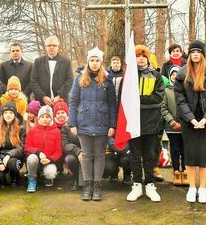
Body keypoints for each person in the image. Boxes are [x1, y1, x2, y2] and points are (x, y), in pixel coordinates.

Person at [175, 40, 206, 204]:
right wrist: (192, 119)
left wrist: (205, 119)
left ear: (203, 54)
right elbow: (180, 100)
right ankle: (192, 187)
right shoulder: (181, 75)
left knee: (203, 155)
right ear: (189, 54)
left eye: (198, 51)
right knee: (189, 154)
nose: (195, 54)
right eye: (192, 51)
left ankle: (202, 188)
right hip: (189, 121)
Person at [68, 47, 117, 201]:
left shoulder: (107, 81)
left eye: (97, 61)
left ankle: (97, 186)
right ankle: (87, 185)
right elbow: (74, 102)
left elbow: (112, 105)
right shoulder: (79, 80)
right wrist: (72, 123)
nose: (95, 63)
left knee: (99, 155)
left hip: (102, 124)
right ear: (88, 62)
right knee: (87, 155)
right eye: (92, 60)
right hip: (83, 123)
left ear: (101, 62)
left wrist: (112, 125)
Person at [126, 45, 165, 203]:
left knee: (149, 155)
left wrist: (137, 100)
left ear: (148, 58)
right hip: (133, 122)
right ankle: (136, 185)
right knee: (135, 156)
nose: (141, 59)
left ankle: (150, 185)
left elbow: (158, 98)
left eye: (144, 56)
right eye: (137, 56)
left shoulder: (156, 75)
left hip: (151, 122)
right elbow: (124, 99)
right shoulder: (128, 76)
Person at [24, 105, 62, 192]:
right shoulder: (33, 130)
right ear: (39, 118)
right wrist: (38, 152)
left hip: (48, 161)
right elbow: (27, 147)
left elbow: (58, 151)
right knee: (31, 158)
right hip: (36, 159)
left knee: (51, 173)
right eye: (42, 117)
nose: (45, 119)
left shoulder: (56, 132)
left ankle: (48, 178)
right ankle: (32, 179)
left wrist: (49, 159)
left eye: (47, 117)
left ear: (51, 118)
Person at [161, 65, 187, 186]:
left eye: (177, 74)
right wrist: (172, 122)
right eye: (173, 75)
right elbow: (163, 108)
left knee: (185, 149)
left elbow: (189, 107)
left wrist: (184, 121)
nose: (175, 77)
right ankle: (176, 171)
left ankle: (185, 171)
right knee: (175, 149)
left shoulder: (186, 90)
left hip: (185, 126)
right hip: (171, 127)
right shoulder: (166, 91)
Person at [0, 102, 26, 186]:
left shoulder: (21, 128)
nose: (8, 115)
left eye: (11, 112)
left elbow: (21, 147)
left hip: (14, 157)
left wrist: (8, 155)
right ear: (2, 114)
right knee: (0, 179)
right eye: (5, 113)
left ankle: (14, 176)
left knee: (13, 164)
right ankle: (1, 174)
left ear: (14, 114)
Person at [30, 36, 74, 106]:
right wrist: (43, 96)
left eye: (54, 45)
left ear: (58, 47)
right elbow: (33, 80)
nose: (51, 47)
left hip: (61, 101)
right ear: (45, 47)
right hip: (42, 102)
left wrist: (59, 96)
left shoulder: (66, 61)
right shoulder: (38, 62)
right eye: (49, 45)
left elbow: (70, 80)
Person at [61, 123, 83, 191]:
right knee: (70, 159)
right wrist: (78, 151)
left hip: (88, 151)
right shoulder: (66, 126)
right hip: (73, 152)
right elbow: (65, 145)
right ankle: (75, 178)